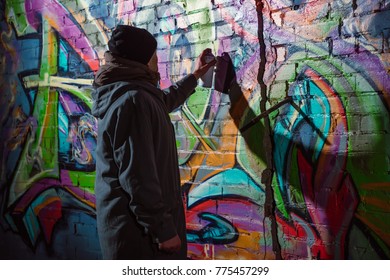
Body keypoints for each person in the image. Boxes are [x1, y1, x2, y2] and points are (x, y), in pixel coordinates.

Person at [92, 25, 216, 259]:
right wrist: (163, 231)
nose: (157, 60)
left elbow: (163, 102)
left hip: (138, 231)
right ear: (142, 60)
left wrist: (195, 76)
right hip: (139, 238)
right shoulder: (133, 101)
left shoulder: (132, 93)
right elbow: (137, 176)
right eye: (154, 55)